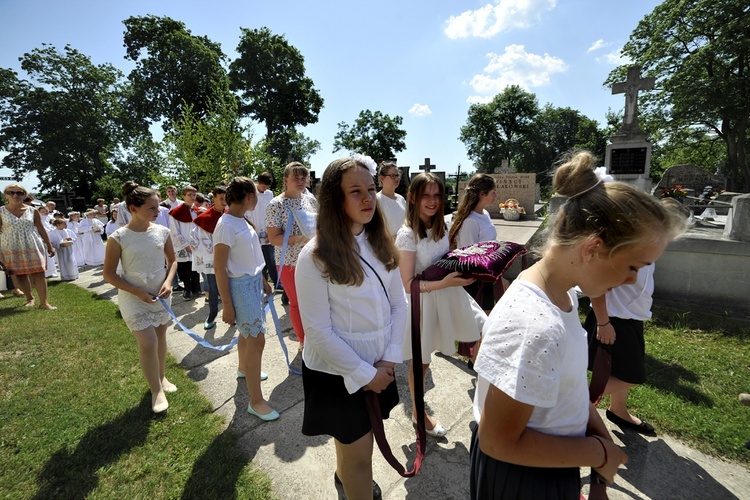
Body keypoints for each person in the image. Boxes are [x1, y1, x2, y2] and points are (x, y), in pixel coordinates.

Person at [470, 151, 687, 498]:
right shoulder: (534, 326)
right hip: (521, 479)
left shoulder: (563, 298)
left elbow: (568, 392)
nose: (633, 281)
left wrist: (600, 459)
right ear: (592, 248)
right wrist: (598, 453)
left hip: (549, 465)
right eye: (634, 266)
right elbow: (498, 441)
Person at [296, 157, 407, 500]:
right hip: (336, 371)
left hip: (379, 366)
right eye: (355, 191)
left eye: (371, 189)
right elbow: (318, 332)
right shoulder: (315, 256)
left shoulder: (381, 243)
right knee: (361, 457)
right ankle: (352, 480)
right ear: (334, 199)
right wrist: (364, 373)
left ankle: (345, 478)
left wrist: (387, 361)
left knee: (352, 445)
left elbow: (398, 305)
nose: (368, 198)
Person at [396, 173, 486, 437]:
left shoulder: (442, 227)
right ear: (412, 197)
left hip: (450, 294)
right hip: (423, 303)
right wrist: (446, 283)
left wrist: (466, 268)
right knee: (422, 363)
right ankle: (418, 414)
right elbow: (407, 284)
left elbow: (445, 259)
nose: (433, 201)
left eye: (437, 195)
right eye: (426, 195)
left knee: (487, 330)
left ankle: (486, 398)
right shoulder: (406, 235)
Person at [103, 181, 178, 414]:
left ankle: (162, 377)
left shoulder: (162, 231)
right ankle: (156, 391)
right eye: (152, 208)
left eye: (158, 207)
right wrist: (137, 291)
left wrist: (168, 282)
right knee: (148, 343)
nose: (158, 212)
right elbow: (108, 274)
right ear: (133, 209)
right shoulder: (119, 237)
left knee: (161, 336)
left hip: (160, 295)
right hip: (133, 296)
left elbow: (172, 261)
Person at [213, 177, 276, 421]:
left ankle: (244, 369)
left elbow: (250, 254)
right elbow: (219, 267)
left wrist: (261, 280)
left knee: (248, 336)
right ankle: (256, 401)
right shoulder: (226, 225)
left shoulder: (240, 220)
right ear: (250, 196)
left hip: (252, 284)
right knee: (256, 340)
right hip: (239, 288)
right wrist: (227, 304)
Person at [585, 264, 657, 436]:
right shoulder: (620, 240)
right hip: (612, 320)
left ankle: (618, 410)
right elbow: (596, 284)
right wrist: (603, 322)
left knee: (618, 372)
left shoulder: (648, 241)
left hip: (632, 317)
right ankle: (576, 403)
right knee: (632, 376)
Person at [266, 161, 318, 348]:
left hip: (313, 258)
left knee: (314, 301)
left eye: (303, 176)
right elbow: (273, 238)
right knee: (297, 302)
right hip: (289, 261)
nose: (300, 180)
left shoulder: (310, 200)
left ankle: (317, 337)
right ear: (285, 180)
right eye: (295, 177)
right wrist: (298, 239)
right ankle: (304, 342)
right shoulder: (276, 204)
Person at [448, 173, 500, 312]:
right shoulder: (470, 221)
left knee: (487, 315)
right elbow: (469, 255)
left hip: (486, 273)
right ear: (482, 194)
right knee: (477, 320)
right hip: (474, 278)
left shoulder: (485, 214)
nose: (495, 195)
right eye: (493, 192)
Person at [0, 184, 57, 309]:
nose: (15, 195)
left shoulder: (33, 211)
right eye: (11, 192)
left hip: (33, 245)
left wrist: (49, 246)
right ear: (6, 195)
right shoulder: (1, 211)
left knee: (39, 273)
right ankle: (29, 298)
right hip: (10, 247)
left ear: (24, 195)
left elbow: (41, 229)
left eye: (19, 193)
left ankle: (44, 303)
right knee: (20, 274)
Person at [191, 184, 227, 330]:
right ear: (215, 198)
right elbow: (205, 240)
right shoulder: (205, 217)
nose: (225, 202)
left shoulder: (229, 214)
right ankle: (212, 315)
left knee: (230, 287)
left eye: (227, 199)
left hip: (229, 259)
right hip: (212, 258)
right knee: (213, 289)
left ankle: (234, 314)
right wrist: (220, 253)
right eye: (222, 199)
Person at [168, 185, 202, 299]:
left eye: (194, 195)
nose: (192, 197)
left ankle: (196, 289)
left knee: (196, 267)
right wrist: (186, 245)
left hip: (196, 244)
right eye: (189, 195)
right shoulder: (176, 212)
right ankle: (187, 290)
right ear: (183, 196)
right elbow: (175, 231)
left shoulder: (198, 211)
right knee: (185, 268)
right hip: (184, 245)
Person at [245, 172, 278, 289]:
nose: (265, 188)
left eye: (267, 186)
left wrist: (271, 231)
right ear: (258, 182)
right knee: (258, 259)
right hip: (253, 230)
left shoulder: (269, 194)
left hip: (267, 231)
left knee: (271, 258)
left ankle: (277, 282)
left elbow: (271, 213)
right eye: (263, 186)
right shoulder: (250, 193)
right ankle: (262, 285)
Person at [375, 161, 406, 238]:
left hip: (403, 244)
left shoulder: (401, 199)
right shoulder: (377, 200)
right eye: (392, 176)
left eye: (397, 175)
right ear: (382, 178)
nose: (396, 178)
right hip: (386, 245)